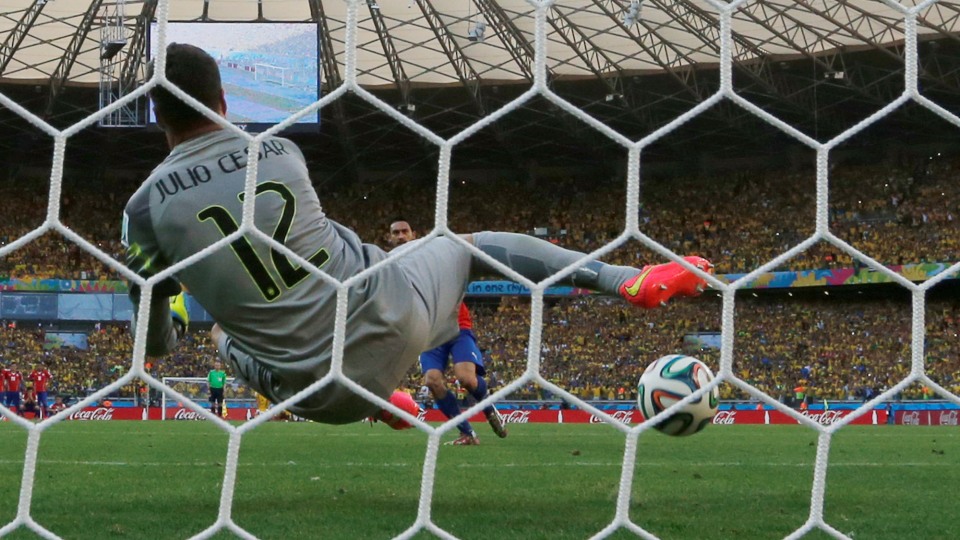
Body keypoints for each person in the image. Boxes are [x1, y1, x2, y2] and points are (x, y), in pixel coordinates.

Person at [123, 43, 711, 429]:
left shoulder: (144, 208)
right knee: (463, 246)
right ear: (224, 100)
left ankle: (386, 407)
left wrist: (169, 314)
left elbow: (156, 348)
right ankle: (625, 279)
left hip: (323, 397)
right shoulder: (279, 150)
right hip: (392, 313)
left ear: (156, 117)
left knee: (226, 334)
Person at [389, 219, 506, 445]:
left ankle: (489, 409)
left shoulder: (429, 255)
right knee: (432, 380)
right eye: (396, 233)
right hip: (428, 332)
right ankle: (467, 433)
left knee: (466, 379)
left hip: (456, 326)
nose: (401, 236)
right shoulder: (387, 265)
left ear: (414, 234)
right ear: (390, 238)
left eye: (405, 231)